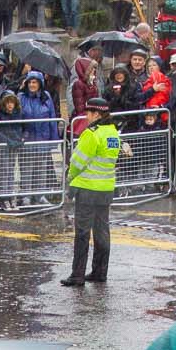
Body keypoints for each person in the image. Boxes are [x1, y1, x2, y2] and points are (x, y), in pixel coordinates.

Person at [59, 96, 123, 288]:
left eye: (88, 112)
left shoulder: (91, 134)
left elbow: (78, 162)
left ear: (96, 113)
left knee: (82, 233)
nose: (86, 116)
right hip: (105, 189)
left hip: (87, 189)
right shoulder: (112, 133)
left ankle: (77, 275)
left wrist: (70, 177)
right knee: (102, 232)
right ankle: (99, 271)